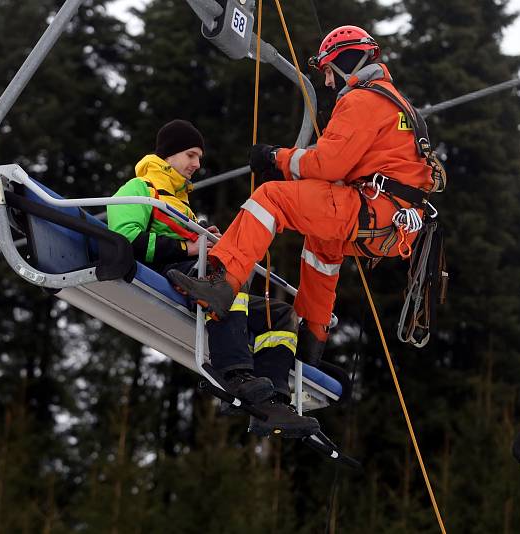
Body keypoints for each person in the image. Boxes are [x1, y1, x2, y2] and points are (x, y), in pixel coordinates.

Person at [168, 26, 445, 366]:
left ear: (345, 60)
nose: (328, 82)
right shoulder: (398, 105)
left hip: (374, 208)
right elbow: (348, 167)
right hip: (394, 224)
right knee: (322, 244)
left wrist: (275, 158)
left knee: (271, 198)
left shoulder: (362, 100)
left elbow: (329, 164)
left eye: (328, 70)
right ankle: (312, 340)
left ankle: (222, 284)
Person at [107, 119, 320, 438]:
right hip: (169, 272)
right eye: (191, 155)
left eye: (199, 158)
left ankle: (274, 399)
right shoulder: (138, 189)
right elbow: (126, 241)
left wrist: (203, 237)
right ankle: (234, 372)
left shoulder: (182, 204)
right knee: (231, 273)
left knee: (281, 314)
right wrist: (190, 246)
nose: (196, 164)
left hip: (194, 269)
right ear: (169, 154)